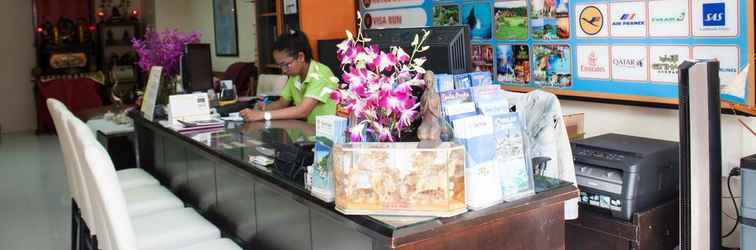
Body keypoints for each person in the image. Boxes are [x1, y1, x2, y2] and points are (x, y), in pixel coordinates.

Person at [240, 30, 338, 124]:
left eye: (286, 64)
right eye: (280, 65)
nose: (283, 70)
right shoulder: (295, 76)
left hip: (325, 134)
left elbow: (302, 111)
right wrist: (262, 108)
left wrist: (263, 115)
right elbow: (282, 103)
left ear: (301, 57)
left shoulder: (320, 74)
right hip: (306, 131)